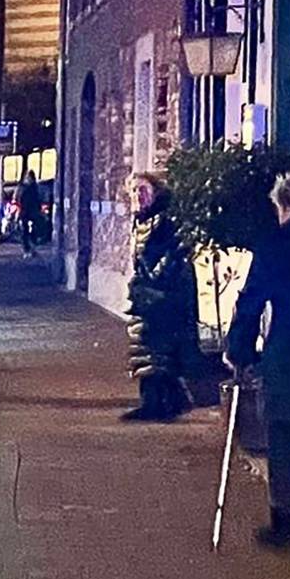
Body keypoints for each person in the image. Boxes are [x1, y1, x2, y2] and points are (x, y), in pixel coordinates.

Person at [227, 171, 290, 546]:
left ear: (288, 206)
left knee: (281, 433)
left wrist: (239, 349)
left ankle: (286, 513)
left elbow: (252, 301)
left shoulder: (277, 244)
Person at [123, 172, 198, 423]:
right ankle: (157, 401)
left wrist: (155, 282)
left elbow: (170, 259)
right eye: (134, 191)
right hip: (146, 296)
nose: (138, 196)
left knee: (159, 349)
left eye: (143, 189)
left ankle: (161, 403)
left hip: (164, 297)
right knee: (146, 348)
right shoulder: (141, 221)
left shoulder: (165, 222)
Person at [17, 171, 46, 258]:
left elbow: (22, 201)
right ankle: (31, 249)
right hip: (33, 214)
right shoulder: (35, 188)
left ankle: (27, 250)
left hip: (27, 214)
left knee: (25, 233)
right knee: (32, 232)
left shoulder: (26, 189)